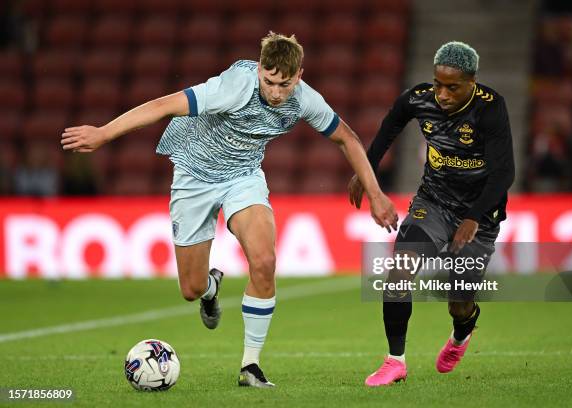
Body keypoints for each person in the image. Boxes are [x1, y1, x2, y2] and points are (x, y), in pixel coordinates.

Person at [61, 32, 398, 388]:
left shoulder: (304, 99)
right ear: (258, 70)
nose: (276, 92)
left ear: (299, 75)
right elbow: (162, 105)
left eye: (285, 84)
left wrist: (375, 193)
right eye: (269, 82)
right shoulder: (233, 86)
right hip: (194, 175)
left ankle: (250, 366)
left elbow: (347, 137)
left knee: (265, 262)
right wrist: (104, 134)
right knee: (190, 288)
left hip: (243, 177)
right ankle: (210, 289)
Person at [348, 41, 515, 386]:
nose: (441, 93)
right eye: (438, 84)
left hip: (479, 214)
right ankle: (395, 362)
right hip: (433, 202)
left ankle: (461, 333)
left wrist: (473, 217)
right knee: (399, 271)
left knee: (459, 302)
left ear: (472, 82)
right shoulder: (418, 98)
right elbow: (389, 127)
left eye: (452, 87)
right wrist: (367, 172)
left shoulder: (491, 108)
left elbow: (504, 174)